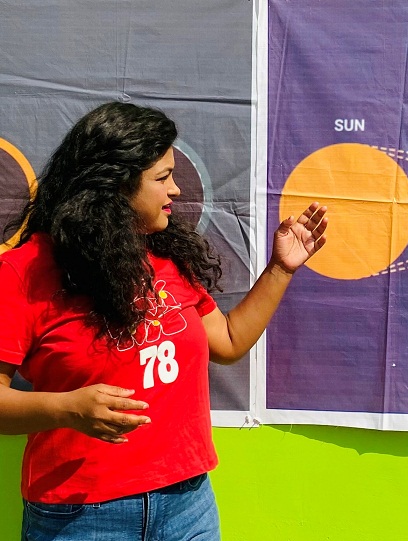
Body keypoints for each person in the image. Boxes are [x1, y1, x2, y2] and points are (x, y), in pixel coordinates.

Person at [0, 101, 327, 540]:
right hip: (81, 516)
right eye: (162, 177)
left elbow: (228, 341)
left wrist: (281, 269)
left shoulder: (166, 255)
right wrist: (68, 408)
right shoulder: (24, 271)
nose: (175, 190)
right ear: (114, 185)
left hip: (187, 505)